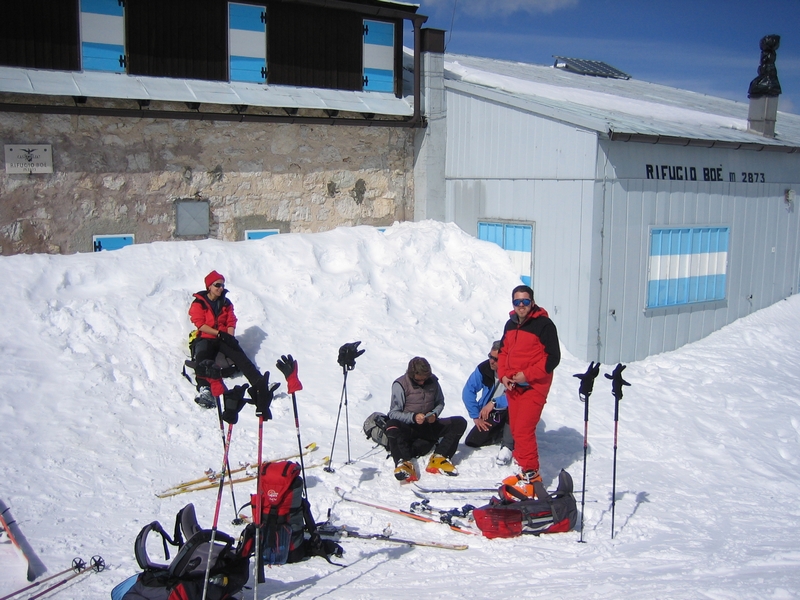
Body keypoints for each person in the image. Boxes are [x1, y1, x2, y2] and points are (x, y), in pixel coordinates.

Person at [497, 284, 560, 497]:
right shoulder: (510, 324)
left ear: (532, 302)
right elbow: (504, 352)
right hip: (513, 386)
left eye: (525, 301)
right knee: (516, 429)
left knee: (524, 430)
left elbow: (552, 358)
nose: (521, 305)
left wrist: (527, 375)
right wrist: (503, 375)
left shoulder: (544, 325)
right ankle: (524, 471)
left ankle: (532, 477)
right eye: (517, 302)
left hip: (534, 385)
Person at [188, 270, 268, 409]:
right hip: (206, 338)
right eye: (217, 285)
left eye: (222, 285)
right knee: (203, 360)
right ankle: (205, 390)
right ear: (209, 287)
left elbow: (231, 321)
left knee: (241, 358)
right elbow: (200, 324)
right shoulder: (198, 303)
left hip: (223, 337)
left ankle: (259, 384)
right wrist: (219, 333)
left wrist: (229, 337)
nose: (221, 288)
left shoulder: (226, 303)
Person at [385, 357, 467, 482]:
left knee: (459, 422)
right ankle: (404, 463)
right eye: (419, 380)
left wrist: (433, 414)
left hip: (428, 424)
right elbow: (393, 413)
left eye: (425, 379)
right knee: (391, 425)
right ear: (411, 375)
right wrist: (412, 417)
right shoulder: (400, 384)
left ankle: (439, 457)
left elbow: (440, 402)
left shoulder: (433, 381)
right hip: (409, 427)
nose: (423, 382)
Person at [462, 341, 514, 465]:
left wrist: (494, 402)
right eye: (490, 356)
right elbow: (468, 391)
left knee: (514, 410)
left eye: (496, 359)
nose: (491, 361)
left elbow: (517, 397)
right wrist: (475, 416)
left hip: (509, 410)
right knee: (472, 441)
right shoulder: (484, 368)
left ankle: (508, 445)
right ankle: (500, 433)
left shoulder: (515, 373)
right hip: (490, 412)